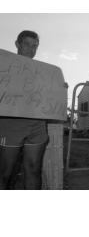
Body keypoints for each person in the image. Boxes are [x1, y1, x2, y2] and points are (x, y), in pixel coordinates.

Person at [0, 30, 49, 189]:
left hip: (36, 125)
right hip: (10, 125)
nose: (31, 49)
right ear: (17, 44)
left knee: (34, 170)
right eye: (27, 44)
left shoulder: (43, 71)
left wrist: (60, 89)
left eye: (35, 46)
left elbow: (49, 96)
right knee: (6, 173)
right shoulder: (4, 66)